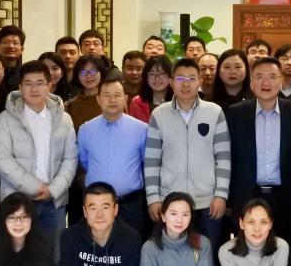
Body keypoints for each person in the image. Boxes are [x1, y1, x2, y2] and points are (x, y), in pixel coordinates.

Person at [0, 60, 78, 266]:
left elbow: (70, 159)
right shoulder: (6, 118)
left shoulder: (64, 119)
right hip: (17, 201)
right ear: (20, 87)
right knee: (17, 259)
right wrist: (35, 188)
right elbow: (1, 158)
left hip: (53, 202)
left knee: (54, 259)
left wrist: (53, 190)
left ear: (49, 85)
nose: (34, 89)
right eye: (28, 83)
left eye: (40, 83)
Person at [144, 58, 231, 251]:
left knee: (206, 255)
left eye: (191, 78)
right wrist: (153, 198)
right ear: (171, 81)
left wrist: (221, 195)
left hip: (208, 202)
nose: (186, 83)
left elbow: (223, 158)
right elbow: (151, 161)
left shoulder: (214, 112)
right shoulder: (159, 114)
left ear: (200, 81)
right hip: (170, 202)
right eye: (180, 78)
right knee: (173, 255)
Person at [226, 57, 291, 242]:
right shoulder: (235, 113)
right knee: (249, 251)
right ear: (251, 82)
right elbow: (231, 158)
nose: (266, 82)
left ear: (281, 81)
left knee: (286, 250)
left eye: (272, 77)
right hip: (248, 196)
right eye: (259, 77)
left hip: (286, 198)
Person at [77, 71, 149, 240]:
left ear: (125, 99)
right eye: (106, 95)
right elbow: (85, 163)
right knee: (97, 248)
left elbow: (144, 164)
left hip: (130, 205)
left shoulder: (141, 129)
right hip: (96, 205)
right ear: (98, 99)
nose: (112, 100)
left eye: (117, 95)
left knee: (132, 247)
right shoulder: (85, 130)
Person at [66, 55, 107, 132]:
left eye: (93, 71)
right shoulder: (70, 106)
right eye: (83, 72)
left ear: (101, 72)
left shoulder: (111, 100)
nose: (88, 75)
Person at [129, 55, 173, 123]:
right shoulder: (137, 102)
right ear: (146, 77)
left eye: (162, 73)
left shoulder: (179, 102)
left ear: (170, 76)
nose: (157, 78)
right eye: (152, 74)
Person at [0, 25, 26, 92]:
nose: (11, 46)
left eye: (15, 43)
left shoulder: (26, 74)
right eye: (6, 42)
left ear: (22, 49)